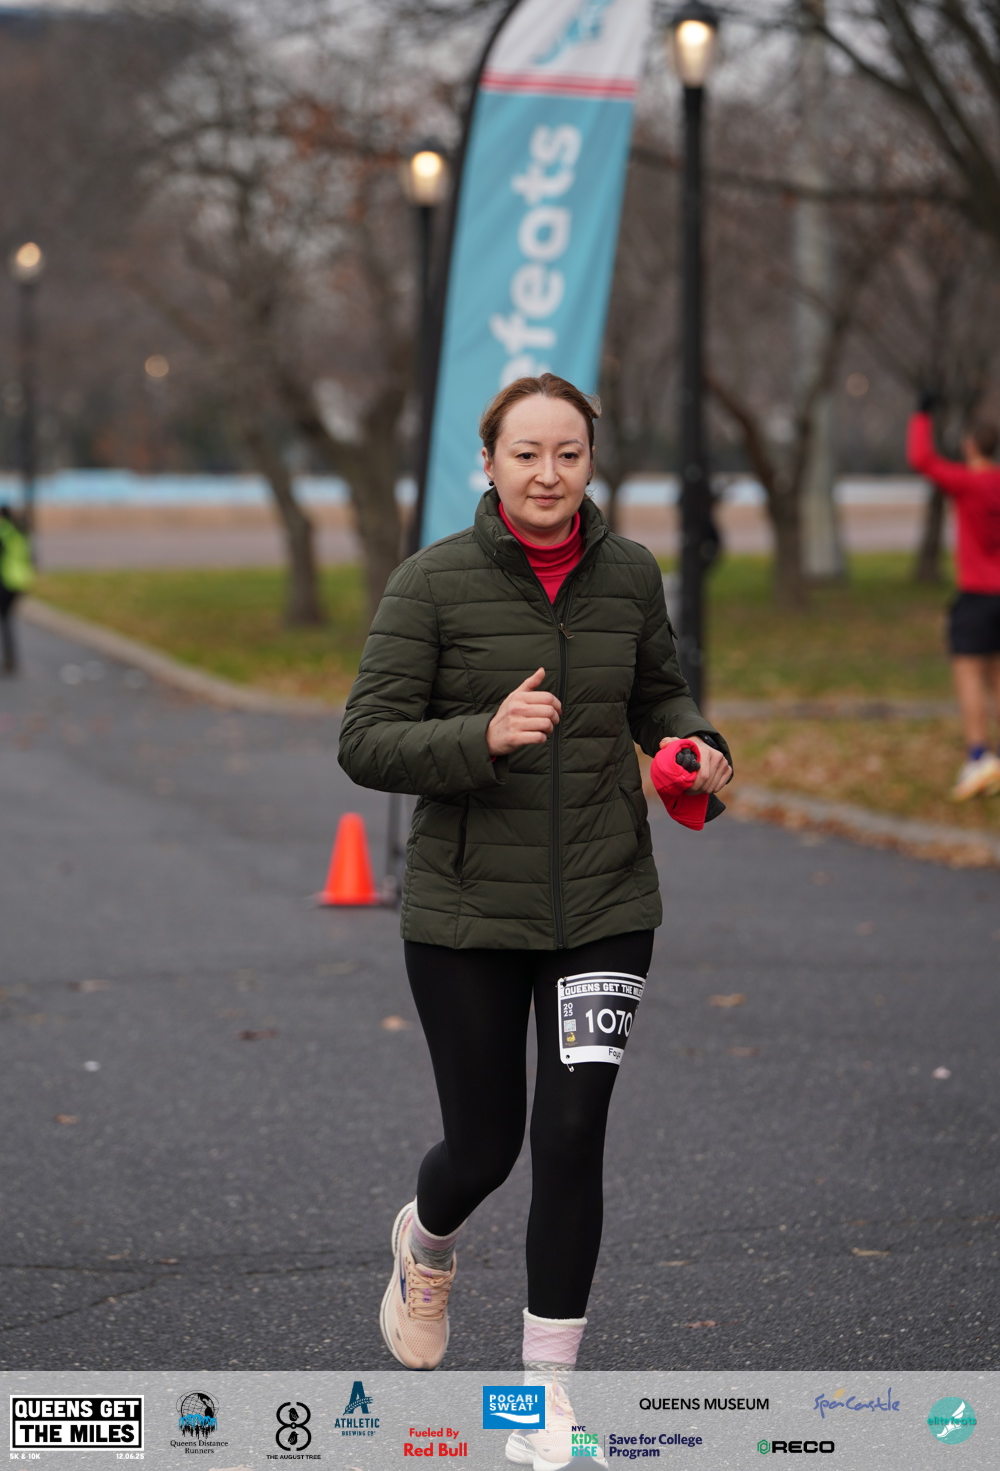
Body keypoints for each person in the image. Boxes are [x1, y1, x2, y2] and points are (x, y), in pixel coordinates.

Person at [338, 374, 732, 1463]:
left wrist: (695, 745)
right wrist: (482, 735)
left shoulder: (630, 571)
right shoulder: (431, 582)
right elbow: (364, 738)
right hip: (466, 911)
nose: (548, 474)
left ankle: (542, 1398)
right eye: (526, 454)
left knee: (569, 1135)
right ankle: (426, 1241)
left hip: (605, 900)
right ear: (490, 462)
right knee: (485, 1146)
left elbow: (658, 694)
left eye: (568, 452)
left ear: (590, 459)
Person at [907, 395, 1000, 801]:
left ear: (971, 445)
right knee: (997, 676)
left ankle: (978, 756)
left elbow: (922, 460)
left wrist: (922, 416)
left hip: (976, 594)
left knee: (969, 676)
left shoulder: (967, 482)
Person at [0, 505, 34, 676]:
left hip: (6, 580)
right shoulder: (20, 532)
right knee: (7, 619)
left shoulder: (4, 532)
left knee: (5, 619)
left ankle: (10, 659)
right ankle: (11, 658)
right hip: (21, 581)